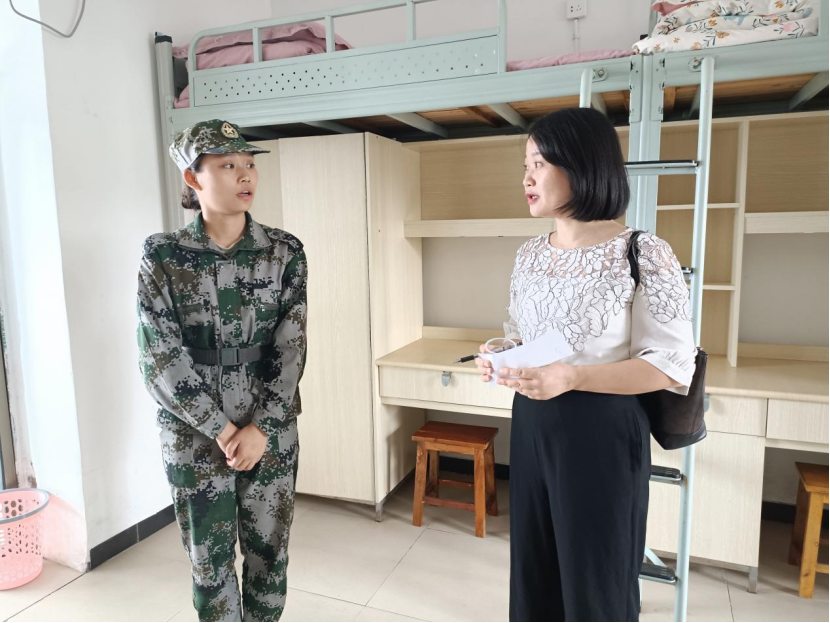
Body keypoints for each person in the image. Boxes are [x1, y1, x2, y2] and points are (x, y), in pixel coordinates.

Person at [476, 108, 697, 622]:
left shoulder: (643, 252)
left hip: (603, 430)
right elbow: (526, 335)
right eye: (525, 165)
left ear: (581, 164)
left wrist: (572, 377)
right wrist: (503, 355)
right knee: (534, 572)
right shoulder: (530, 255)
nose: (527, 178)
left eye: (539, 163)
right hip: (531, 425)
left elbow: (671, 366)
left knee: (596, 580)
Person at [137, 119, 307, 622]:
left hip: (269, 428)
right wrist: (223, 429)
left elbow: (291, 346)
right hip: (193, 433)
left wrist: (261, 427)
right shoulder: (163, 255)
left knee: (269, 554)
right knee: (209, 564)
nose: (245, 174)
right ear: (193, 178)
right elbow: (158, 356)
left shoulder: (284, 251)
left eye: (249, 163)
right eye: (228, 165)